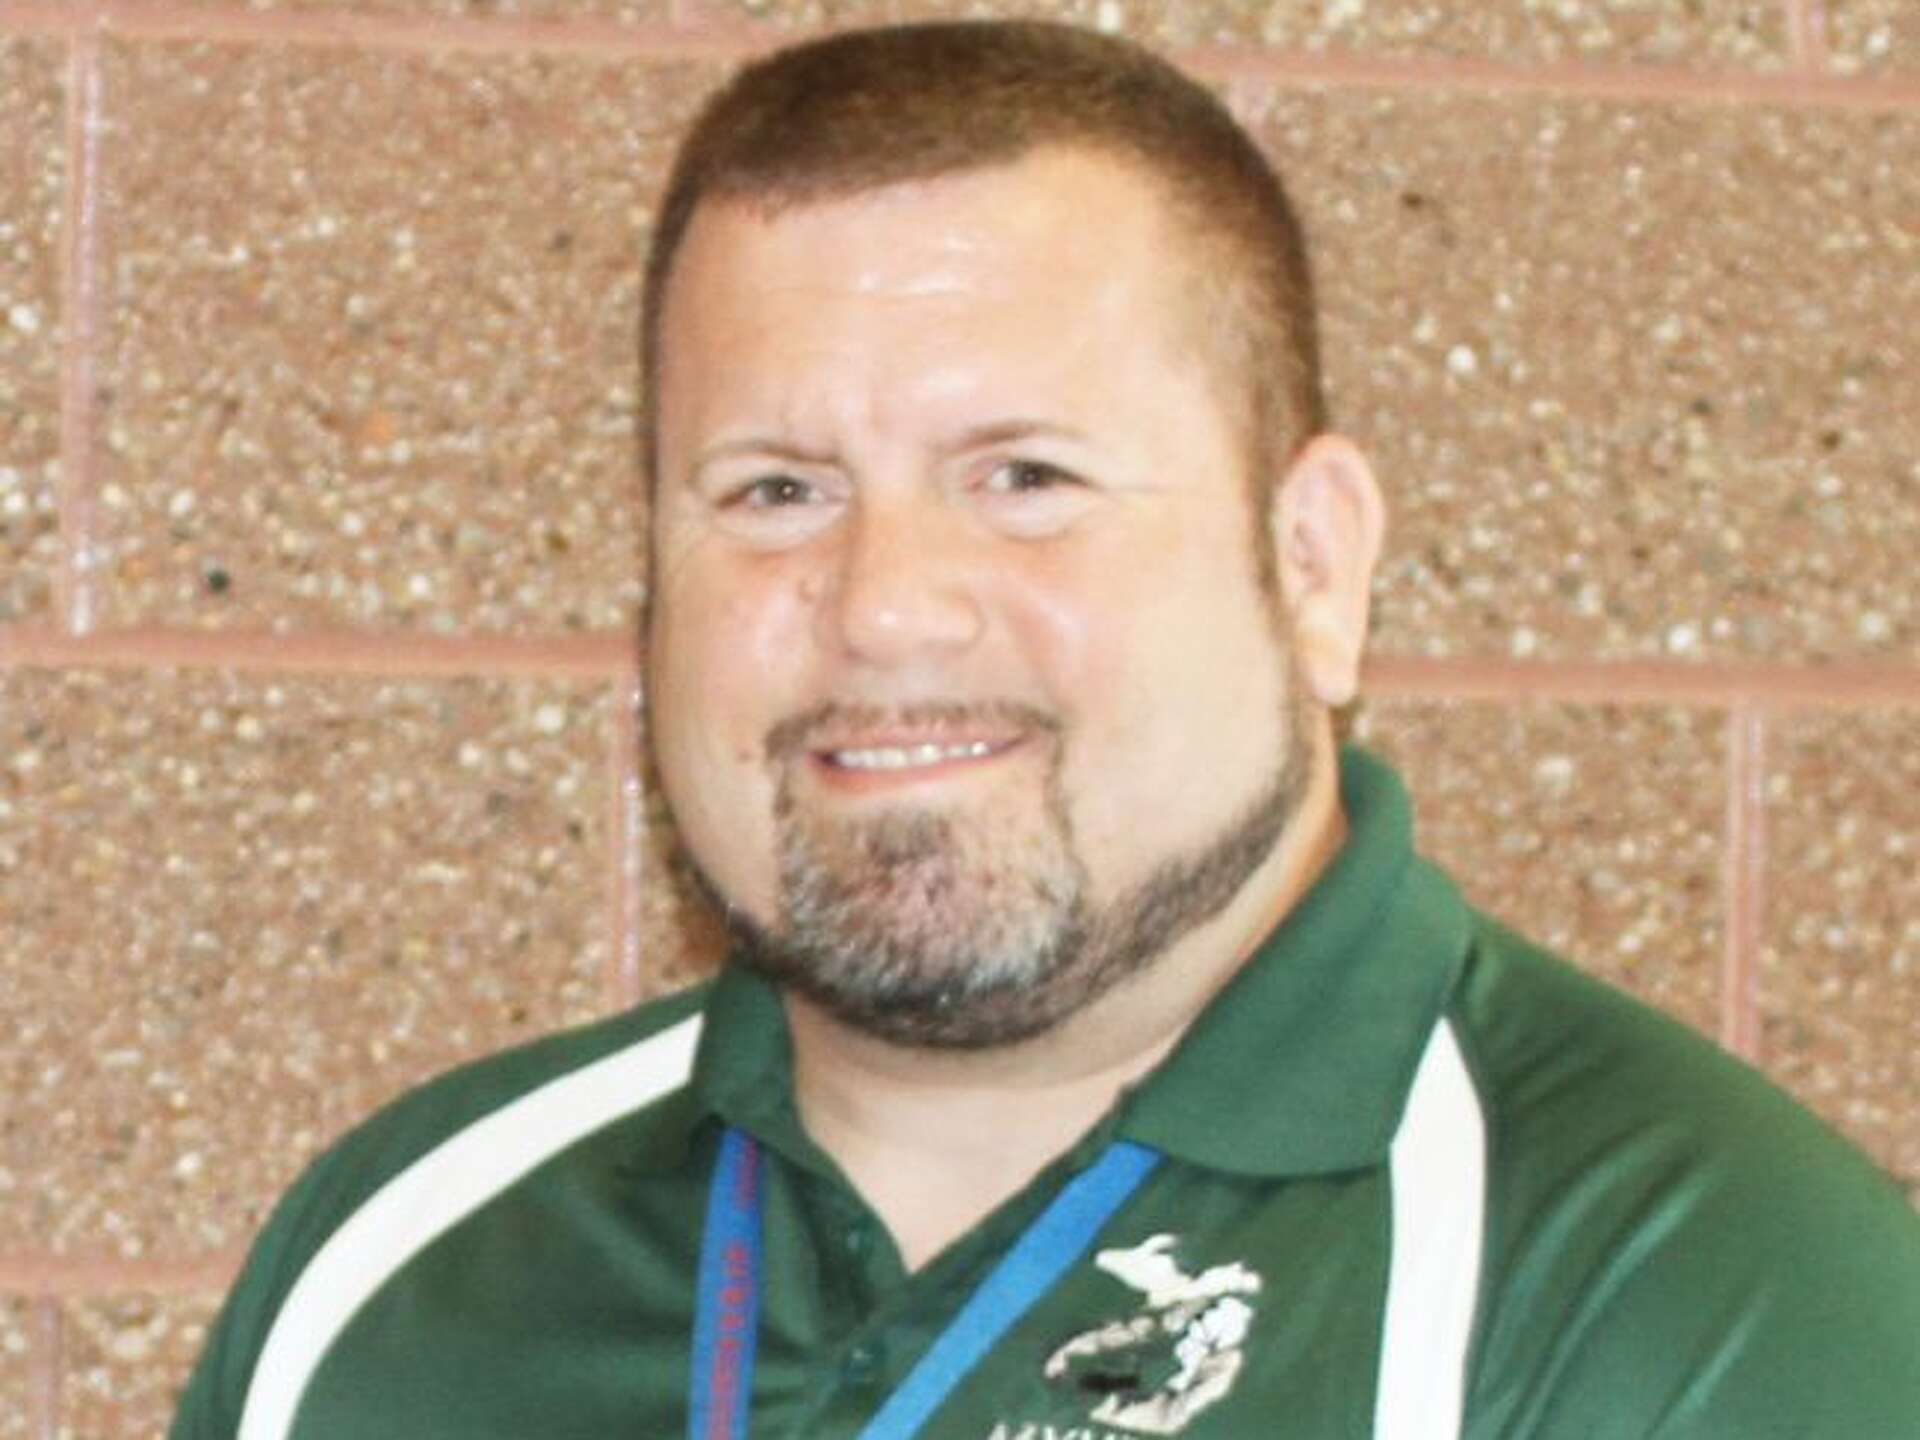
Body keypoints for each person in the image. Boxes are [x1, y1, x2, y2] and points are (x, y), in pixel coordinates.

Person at [172, 21, 1920, 1440]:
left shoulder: (1696, 1300)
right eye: (775, 491)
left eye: (1024, 477)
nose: (885, 605)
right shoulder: (399, 1276)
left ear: (1313, 564)